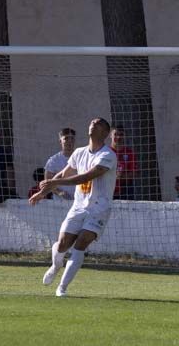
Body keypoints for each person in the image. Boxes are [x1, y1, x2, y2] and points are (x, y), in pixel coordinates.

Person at [29, 117, 117, 297]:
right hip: (78, 207)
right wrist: (43, 192)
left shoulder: (108, 155)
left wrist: (55, 182)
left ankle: (62, 288)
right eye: (92, 122)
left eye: (98, 123)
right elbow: (63, 173)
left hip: (99, 209)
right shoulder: (79, 152)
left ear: (105, 133)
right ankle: (55, 265)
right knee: (62, 244)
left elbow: (85, 177)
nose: (93, 124)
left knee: (81, 242)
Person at [44, 127, 77, 199]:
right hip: (60, 201)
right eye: (66, 138)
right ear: (60, 141)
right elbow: (47, 182)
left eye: (72, 138)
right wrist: (59, 192)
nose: (69, 141)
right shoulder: (53, 161)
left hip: (79, 200)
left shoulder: (80, 157)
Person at [110, 127, 137, 200]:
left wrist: (121, 176)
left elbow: (134, 173)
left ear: (125, 137)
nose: (118, 137)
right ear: (110, 135)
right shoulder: (105, 152)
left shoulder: (129, 153)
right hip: (108, 187)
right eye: (115, 134)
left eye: (121, 134)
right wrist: (112, 176)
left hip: (125, 189)